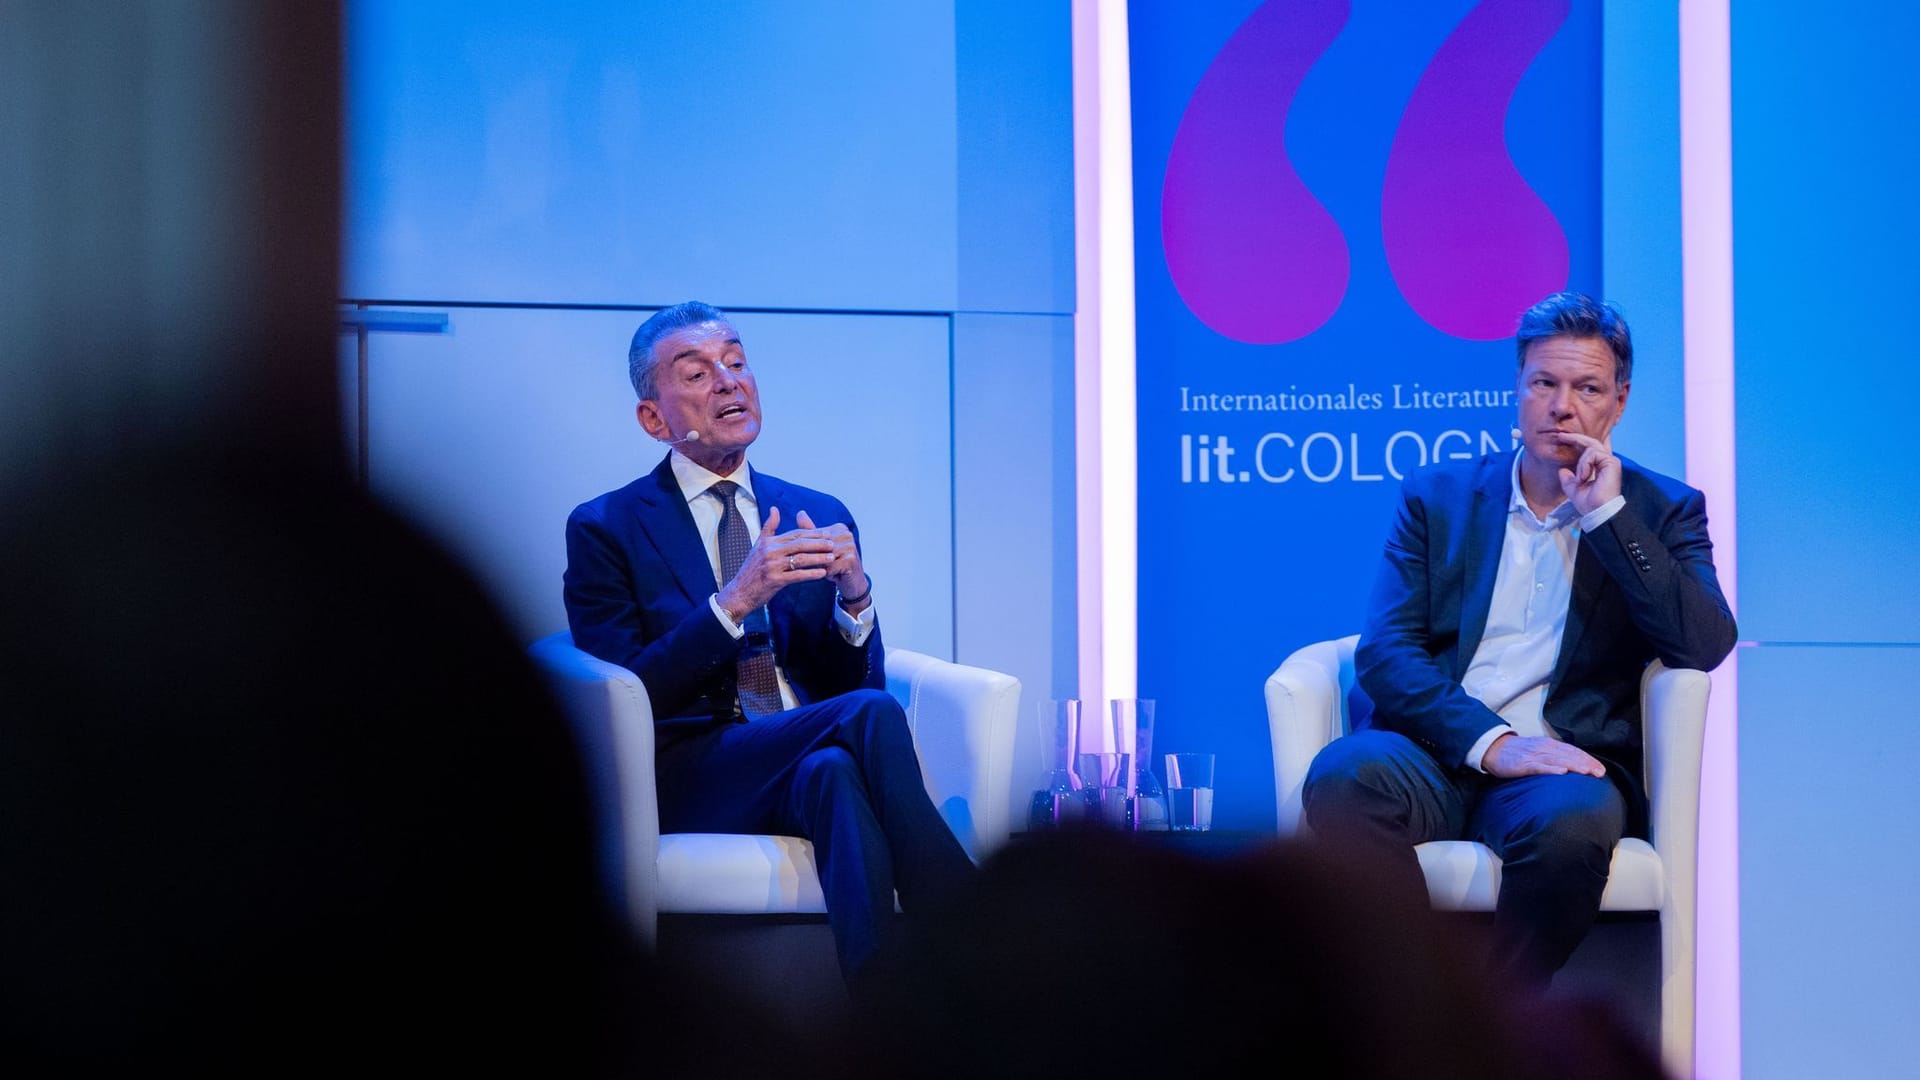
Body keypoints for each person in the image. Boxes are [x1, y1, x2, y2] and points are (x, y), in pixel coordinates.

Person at [1302, 291, 1737, 987]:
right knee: (1343, 777)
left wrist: (1610, 521)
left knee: (1572, 830)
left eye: (1586, 388)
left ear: (1618, 402)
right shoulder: (1437, 495)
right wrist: (1495, 745)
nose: (1562, 406)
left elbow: (1704, 643)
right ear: (1519, 388)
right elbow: (1387, 650)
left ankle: (1491, 1026)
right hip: (1438, 752)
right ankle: (1417, 1003)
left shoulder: (1662, 511)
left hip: (1565, 768)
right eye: (1544, 383)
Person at [563, 301, 976, 982]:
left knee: (834, 772)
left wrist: (856, 597)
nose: (728, 381)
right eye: (696, 372)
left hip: (795, 749)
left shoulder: (818, 512)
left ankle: (884, 1016)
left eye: (736, 360)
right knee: (868, 721)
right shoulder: (607, 528)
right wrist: (733, 603)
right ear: (653, 418)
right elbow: (623, 694)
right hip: (689, 769)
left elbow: (851, 690)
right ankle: (976, 933)